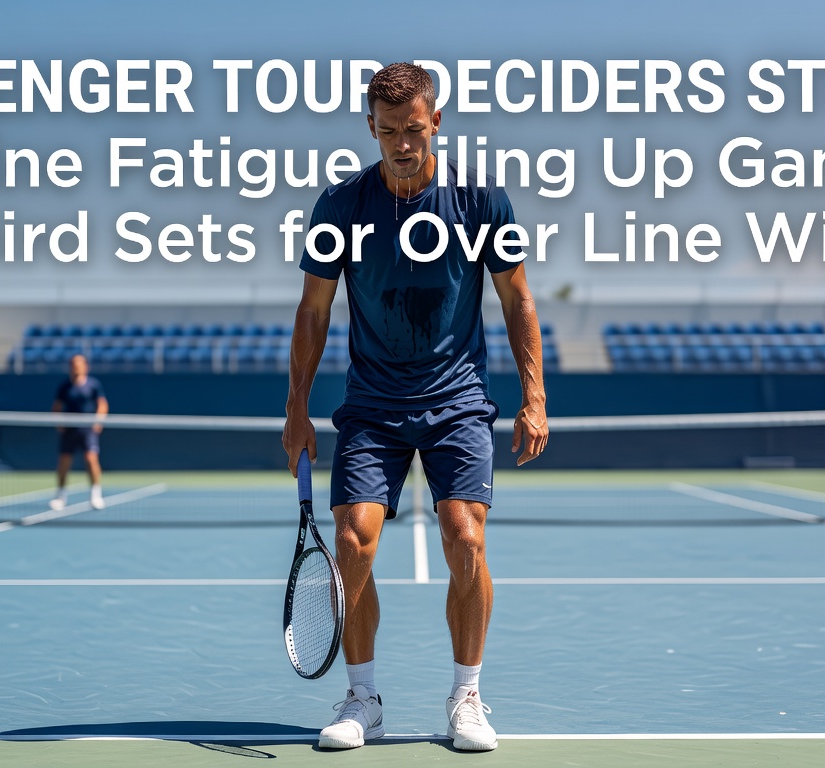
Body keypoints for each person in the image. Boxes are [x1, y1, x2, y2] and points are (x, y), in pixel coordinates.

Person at [282, 62, 549, 752]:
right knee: (352, 543)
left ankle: (467, 698)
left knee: (465, 538)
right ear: (372, 126)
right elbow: (314, 310)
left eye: (415, 128)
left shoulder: (482, 200)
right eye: (390, 129)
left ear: (437, 122)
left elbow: (517, 297)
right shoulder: (340, 206)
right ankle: (362, 698)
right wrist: (296, 408)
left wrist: (533, 396)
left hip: (457, 399)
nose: (404, 141)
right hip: (373, 402)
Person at [50, 353, 108, 511]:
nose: (76, 367)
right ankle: (61, 496)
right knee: (64, 461)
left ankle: (96, 495)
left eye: (79, 364)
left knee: (91, 459)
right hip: (69, 429)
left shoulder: (93, 384)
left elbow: (102, 404)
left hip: (88, 429)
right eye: (74, 364)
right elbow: (57, 406)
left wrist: (98, 421)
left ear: (85, 366)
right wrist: (59, 422)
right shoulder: (64, 386)